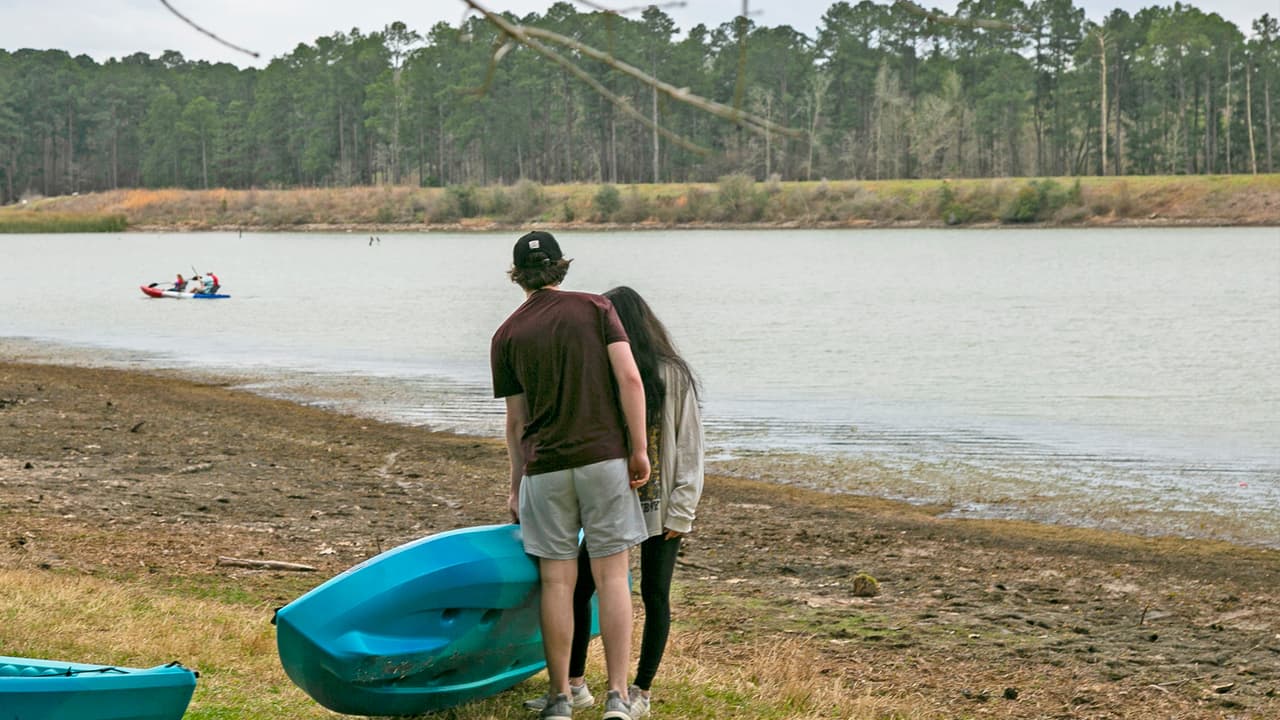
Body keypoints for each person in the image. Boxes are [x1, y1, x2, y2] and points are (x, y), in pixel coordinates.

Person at [524, 286, 704, 719]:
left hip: (661, 503)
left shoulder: (672, 374)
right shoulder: (606, 369)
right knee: (584, 586)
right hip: (614, 500)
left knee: (654, 593)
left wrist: (683, 508)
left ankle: (639, 690)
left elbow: (692, 443)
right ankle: (577, 683)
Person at [491, 231, 649, 720]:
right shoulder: (597, 308)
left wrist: (517, 483)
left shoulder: (507, 334)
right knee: (613, 577)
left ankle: (560, 697)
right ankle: (618, 697)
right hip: (604, 459)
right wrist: (639, 449)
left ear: (518, 275)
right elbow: (629, 378)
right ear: (561, 267)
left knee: (557, 583)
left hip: (545, 470)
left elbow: (516, 422)